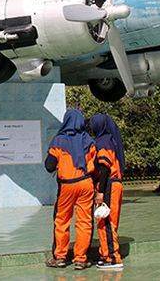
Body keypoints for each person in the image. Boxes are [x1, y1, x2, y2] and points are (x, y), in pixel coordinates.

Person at [44, 109, 97, 270]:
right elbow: (95, 166)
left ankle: (60, 257)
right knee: (84, 221)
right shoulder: (89, 141)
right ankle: (81, 259)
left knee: (62, 220)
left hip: (67, 185)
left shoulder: (59, 141)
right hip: (86, 184)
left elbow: (49, 166)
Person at [91, 113, 125, 270]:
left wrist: (101, 192)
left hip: (109, 184)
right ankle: (105, 254)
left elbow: (104, 168)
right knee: (107, 222)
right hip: (115, 184)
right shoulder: (111, 141)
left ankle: (113, 258)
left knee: (107, 222)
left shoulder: (103, 143)